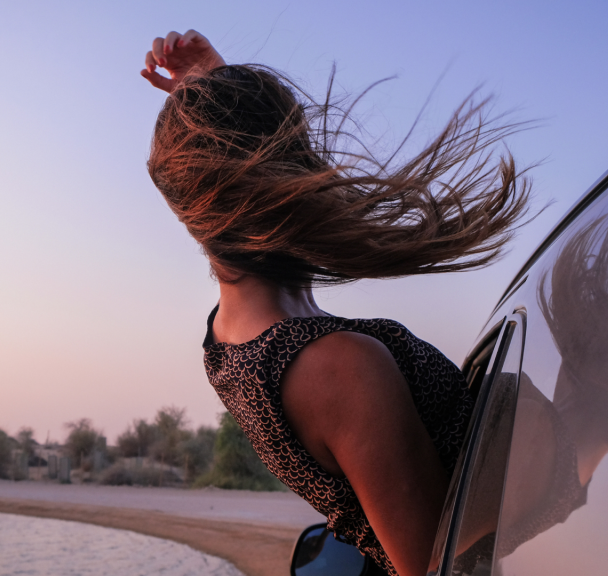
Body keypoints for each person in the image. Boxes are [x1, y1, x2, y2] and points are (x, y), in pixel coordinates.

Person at [141, 30, 532, 576]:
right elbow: (438, 566)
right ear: (286, 168)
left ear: (187, 205)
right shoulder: (338, 367)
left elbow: (244, 190)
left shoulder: (229, 344)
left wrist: (210, 93)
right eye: (298, 149)